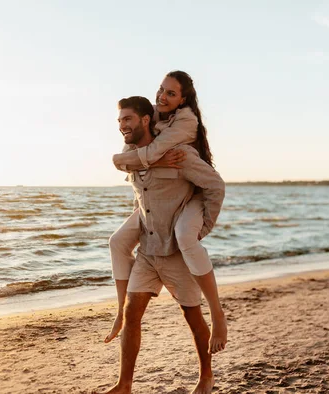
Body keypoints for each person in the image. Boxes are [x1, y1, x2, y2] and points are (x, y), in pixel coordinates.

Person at [104, 96, 225, 394]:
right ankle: (125, 384)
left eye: (128, 119)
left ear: (146, 120)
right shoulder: (130, 155)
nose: (122, 126)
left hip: (176, 253)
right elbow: (137, 191)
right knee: (132, 315)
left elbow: (215, 185)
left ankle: (206, 377)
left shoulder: (179, 154)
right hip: (148, 249)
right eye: (119, 120)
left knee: (192, 316)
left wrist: (202, 227)